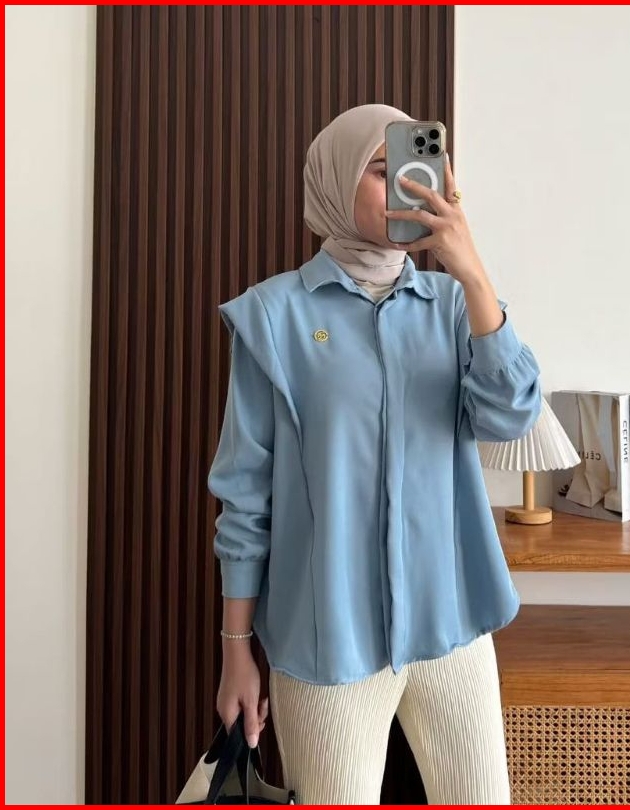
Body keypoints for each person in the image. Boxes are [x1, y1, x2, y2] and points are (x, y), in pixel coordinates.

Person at [207, 104, 541, 805]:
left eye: (417, 171)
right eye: (383, 171)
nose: (405, 189)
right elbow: (245, 496)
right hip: (328, 641)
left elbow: (511, 416)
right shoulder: (273, 317)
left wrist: (474, 271)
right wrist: (237, 651)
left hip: (452, 624)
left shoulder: (454, 306)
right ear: (334, 183)